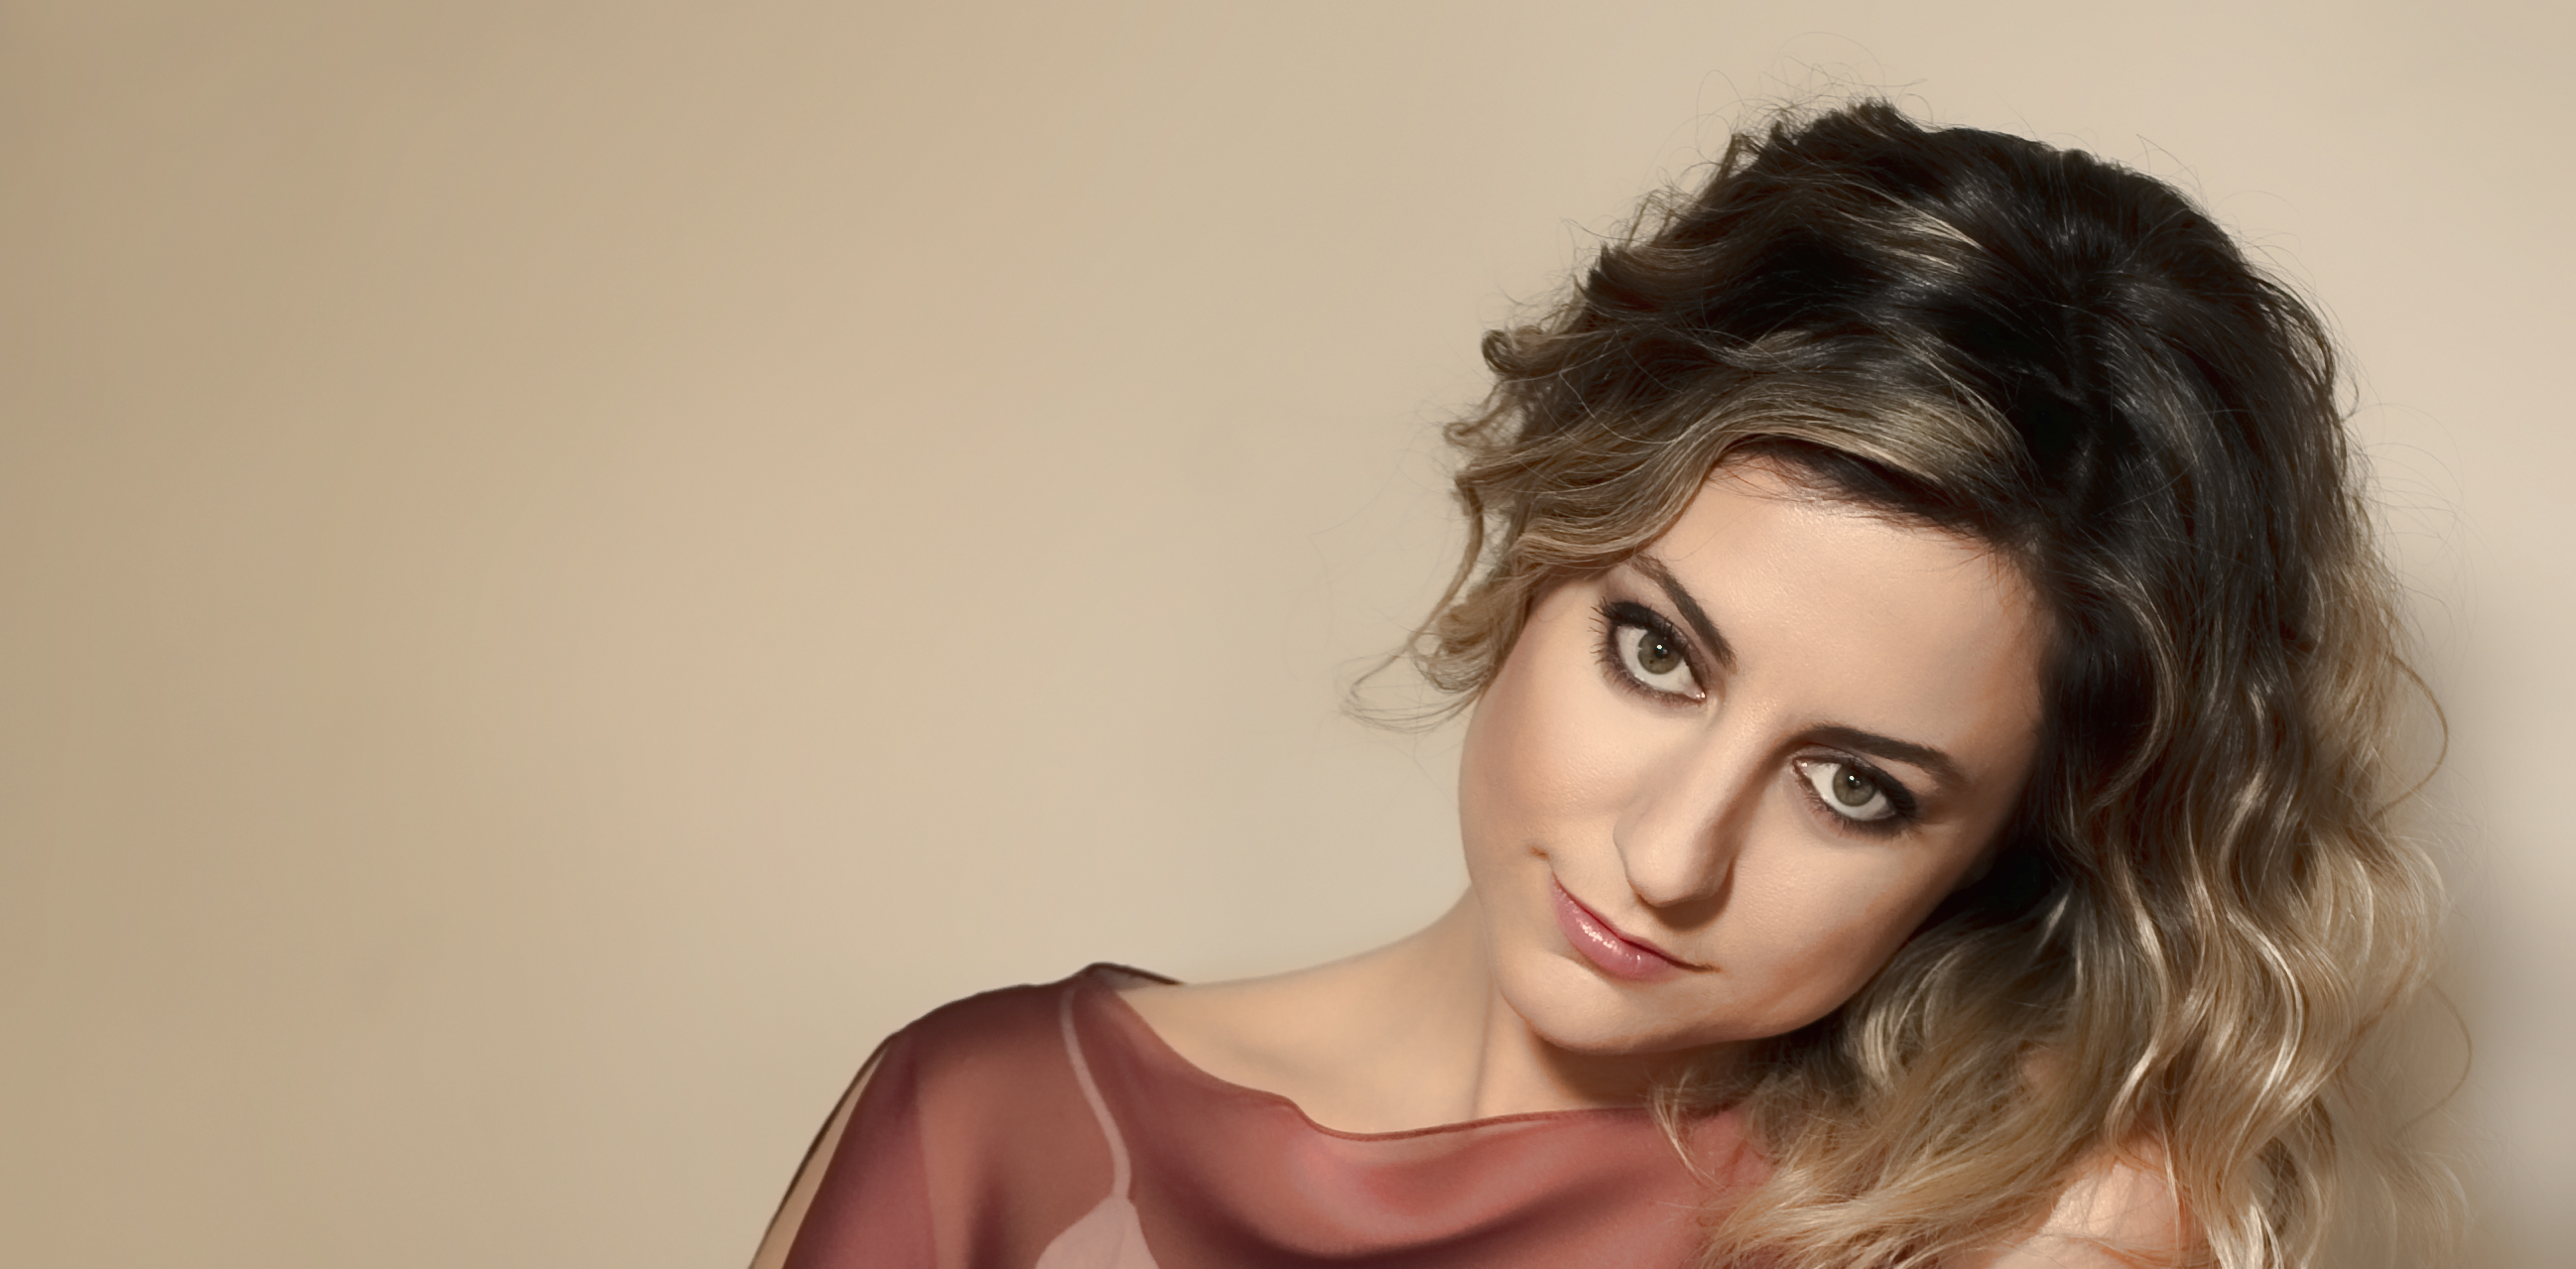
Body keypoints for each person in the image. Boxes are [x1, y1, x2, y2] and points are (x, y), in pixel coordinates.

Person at [750, 99, 2447, 1269]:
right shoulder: (992, 1125)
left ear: (2002, 849)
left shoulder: (1998, 1239)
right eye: (1659, 654)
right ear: (1544, 539)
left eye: (1855, 788)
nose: (1671, 854)